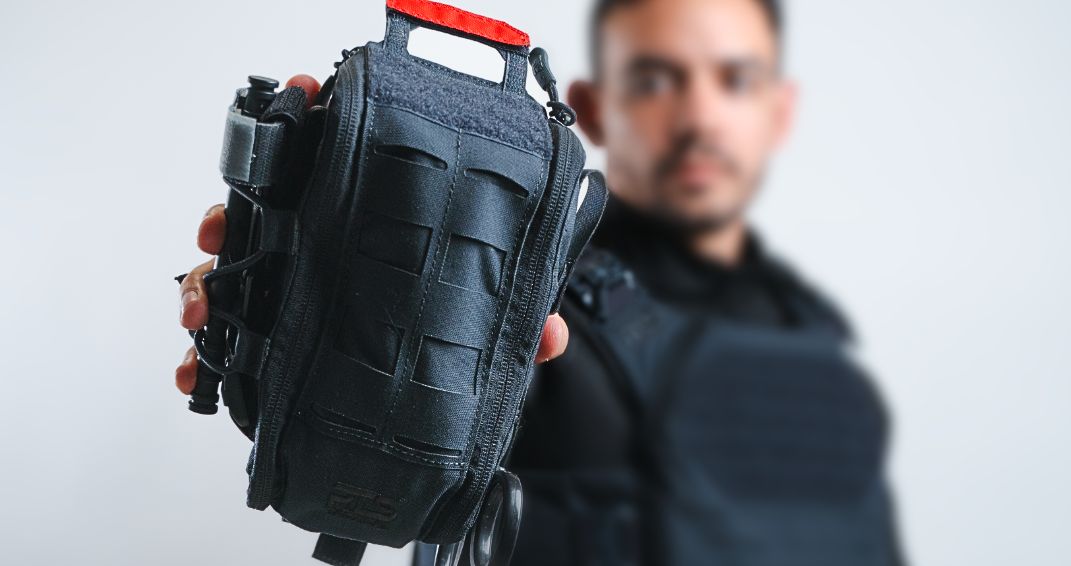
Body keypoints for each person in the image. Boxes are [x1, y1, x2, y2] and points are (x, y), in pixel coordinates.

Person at [177, 0, 904, 564]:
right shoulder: (529, 269)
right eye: (655, 77)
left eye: (736, 79)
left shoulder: (819, 349)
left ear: (780, 110)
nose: (699, 114)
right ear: (591, 104)